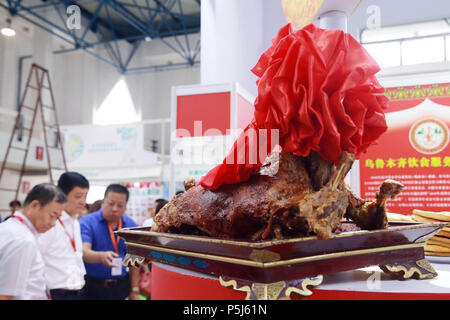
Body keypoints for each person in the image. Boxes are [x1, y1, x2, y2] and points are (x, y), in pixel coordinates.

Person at [0, 183, 66, 300]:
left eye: (57, 218)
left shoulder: (7, 227)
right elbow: (6, 295)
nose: (53, 223)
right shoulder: (23, 240)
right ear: (34, 205)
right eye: (52, 215)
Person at [80, 184, 139, 300]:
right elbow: (84, 252)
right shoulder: (87, 222)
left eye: (120, 205)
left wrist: (135, 289)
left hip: (121, 285)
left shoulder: (131, 225)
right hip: (93, 286)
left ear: (126, 206)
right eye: (111, 203)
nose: (114, 209)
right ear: (103, 202)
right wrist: (100, 256)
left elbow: (134, 259)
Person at [38, 172, 89, 300]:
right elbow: (35, 259)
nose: (83, 201)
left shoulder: (75, 222)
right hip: (56, 293)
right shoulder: (50, 223)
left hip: (78, 291)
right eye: (78, 196)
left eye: (85, 196)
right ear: (62, 195)